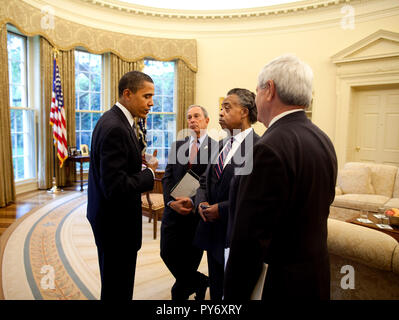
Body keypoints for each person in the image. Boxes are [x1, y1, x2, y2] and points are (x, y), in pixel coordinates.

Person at [223, 54, 337, 300]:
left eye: (256, 91)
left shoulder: (267, 148)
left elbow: (249, 240)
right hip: (314, 278)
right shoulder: (323, 139)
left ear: (269, 90)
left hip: (279, 284)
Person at [87, 71, 159, 300]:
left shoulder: (116, 120)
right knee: (117, 288)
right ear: (127, 94)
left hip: (110, 220)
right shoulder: (115, 127)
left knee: (115, 284)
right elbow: (115, 187)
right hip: (115, 225)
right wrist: (149, 174)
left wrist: (136, 164)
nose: (151, 103)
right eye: (146, 96)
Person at [194, 88, 260, 300]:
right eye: (221, 108)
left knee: (232, 294)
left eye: (227, 108)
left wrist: (220, 209)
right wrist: (201, 202)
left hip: (235, 236)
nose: (221, 113)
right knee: (216, 289)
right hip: (211, 232)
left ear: (245, 112)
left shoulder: (259, 148)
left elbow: (253, 197)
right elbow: (204, 180)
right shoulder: (221, 144)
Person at [160, 105, 218, 300]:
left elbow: (212, 184)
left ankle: (183, 291)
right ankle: (202, 282)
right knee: (166, 253)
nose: (192, 120)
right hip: (173, 212)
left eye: (196, 116)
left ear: (206, 120)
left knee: (190, 261)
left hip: (196, 216)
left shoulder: (217, 148)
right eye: (189, 117)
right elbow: (167, 178)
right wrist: (170, 203)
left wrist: (193, 202)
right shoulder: (178, 146)